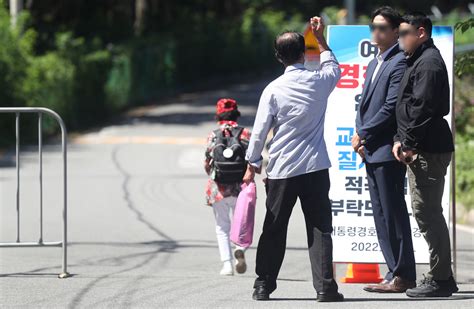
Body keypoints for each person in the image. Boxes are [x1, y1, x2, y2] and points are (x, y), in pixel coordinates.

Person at [243, 16, 344, 302]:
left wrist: (252, 165)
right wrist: (320, 36)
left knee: (274, 227)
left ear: (278, 57)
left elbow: (260, 132)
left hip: (282, 169)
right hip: (315, 166)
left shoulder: (273, 89)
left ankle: (263, 285)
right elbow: (333, 66)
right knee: (320, 228)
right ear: (304, 53)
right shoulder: (321, 82)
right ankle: (325, 288)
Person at [393, 12, 459, 297]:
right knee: (426, 212)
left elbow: (422, 109)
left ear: (421, 32)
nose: (400, 39)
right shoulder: (418, 59)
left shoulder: (429, 63)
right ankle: (442, 275)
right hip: (420, 146)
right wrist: (400, 138)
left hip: (427, 149)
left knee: (428, 213)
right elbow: (409, 106)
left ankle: (440, 278)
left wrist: (408, 142)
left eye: (404, 33)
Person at [351, 6, 416, 293]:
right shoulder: (376, 62)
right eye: (372, 27)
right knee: (380, 213)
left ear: (395, 32)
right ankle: (393, 272)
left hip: (387, 148)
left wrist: (363, 133)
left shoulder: (399, 61)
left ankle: (403, 274)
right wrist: (360, 133)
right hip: (370, 148)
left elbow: (390, 108)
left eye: (381, 28)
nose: (375, 32)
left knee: (393, 213)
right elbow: (364, 104)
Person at [204, 98, 250, 276]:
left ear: (218, 114)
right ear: (236, 114)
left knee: (222, 227)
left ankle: (227, 265)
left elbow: (207, 163)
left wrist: (212, 175)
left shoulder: (213, 135)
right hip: (241, 188)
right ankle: (240, 248)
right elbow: (253, 159)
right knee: (242, 225)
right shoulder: (245, 133)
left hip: (219, 189)